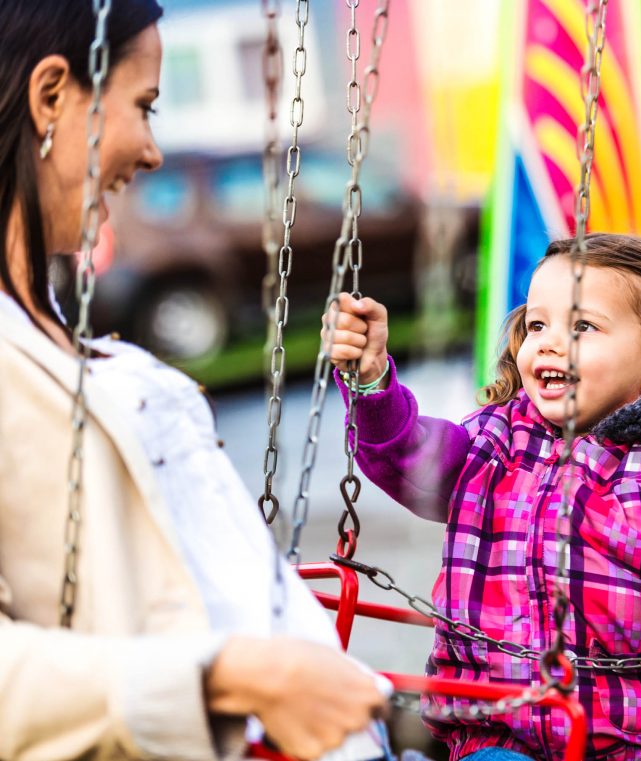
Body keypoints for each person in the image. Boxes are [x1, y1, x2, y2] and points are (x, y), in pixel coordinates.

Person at [0, 3, 392, 759]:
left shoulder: (68, 341)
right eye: (143, 107)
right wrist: (226, 675)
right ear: (52, 97)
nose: (150, 152)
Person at [326, 233, 641, 761]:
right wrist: (373, 382)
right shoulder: (495, 439)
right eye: (537, 324)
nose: (550, 342)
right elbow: (408, 457)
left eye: (582, 326)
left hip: (621, 741)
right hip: (494, 729)